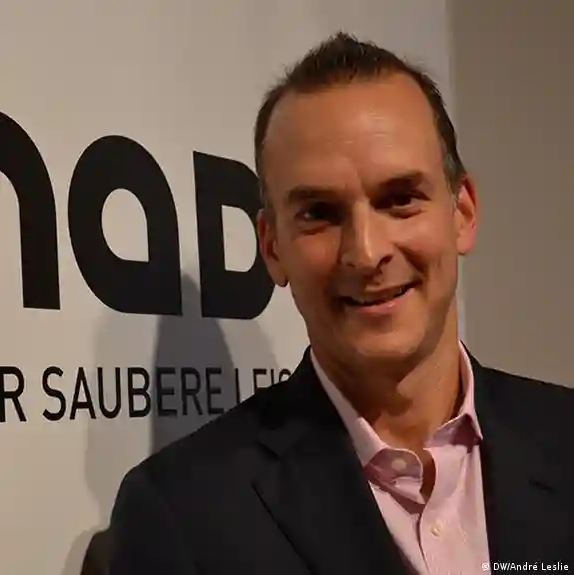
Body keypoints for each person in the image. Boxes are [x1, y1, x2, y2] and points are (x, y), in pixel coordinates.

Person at [107, 32, 574, 574]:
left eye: (400, 199)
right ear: (272, 248)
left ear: (462, 214)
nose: (367, 252)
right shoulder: (179, 514)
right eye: (320, 214)